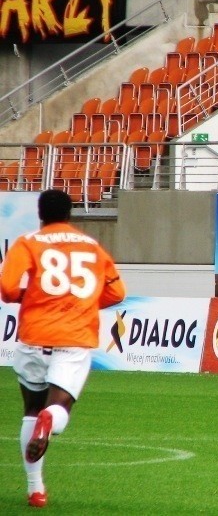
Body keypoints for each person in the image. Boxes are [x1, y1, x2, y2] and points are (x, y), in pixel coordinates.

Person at [0, 189, 126, 508]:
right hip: (74, 336)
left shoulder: (27, 242)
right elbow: (117, 292)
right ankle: (50, 420)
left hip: (34, 335)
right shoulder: (92, 246)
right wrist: (82, 301)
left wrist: (27, 298)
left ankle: (35, 489)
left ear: (40, 215)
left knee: (30, 409)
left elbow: (7, 288)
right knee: (60, 407)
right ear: (70, 214)